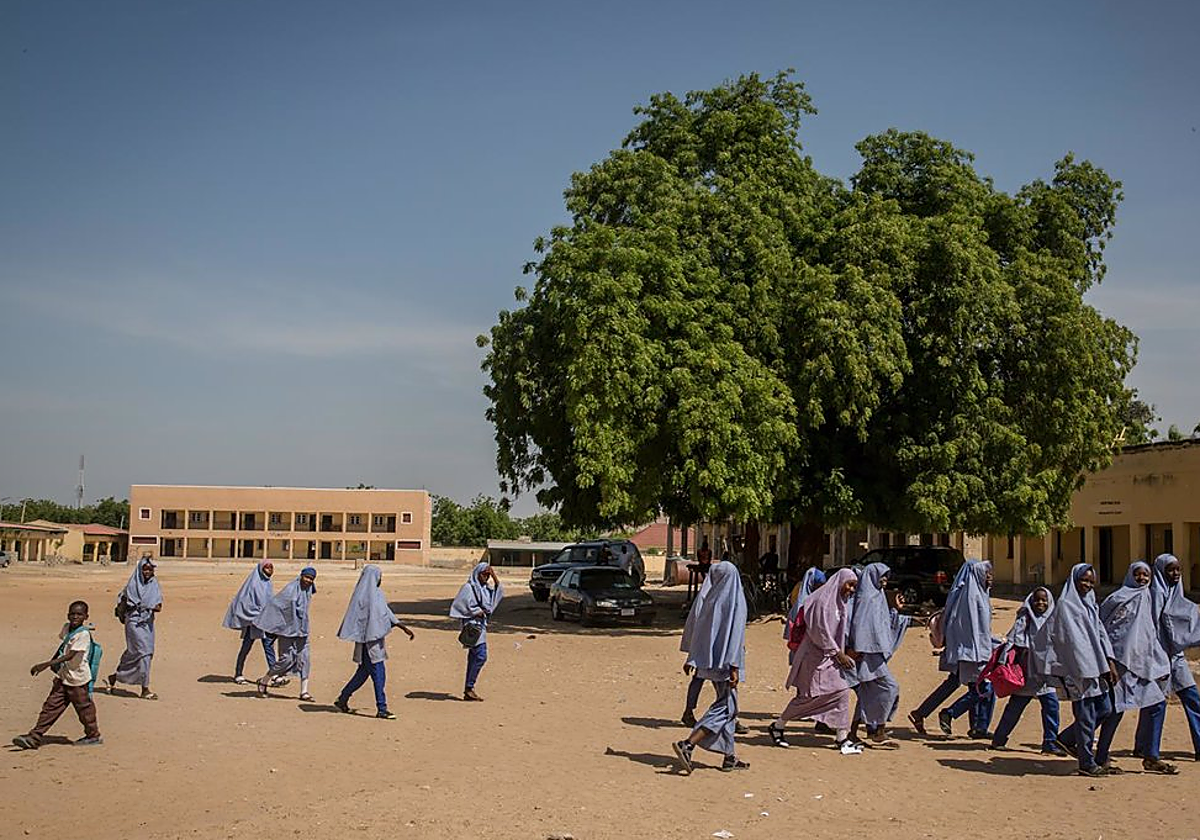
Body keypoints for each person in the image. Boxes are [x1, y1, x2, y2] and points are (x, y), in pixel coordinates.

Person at [1085, 561, 1176, 774]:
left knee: (1157, 704)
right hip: (1119, 663)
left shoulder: (1151, 598)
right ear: (1129, 575)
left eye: (1146, 575)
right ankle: (1097, 753)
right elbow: (1102, 625)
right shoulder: (1117, 598)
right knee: (1115, 711)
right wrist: (1107, 660)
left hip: (1143, 663)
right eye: (1138, 575)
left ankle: (1151, 755)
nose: (1142, 579)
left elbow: (1150, 633)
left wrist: (1159, 663)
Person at [1030, 563, 1119, 777]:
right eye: (1084, 580)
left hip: (1096, 667)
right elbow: (1068, 641)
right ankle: (1086, 763)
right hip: (1079, 670)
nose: (1087, 585)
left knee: (1106, 709)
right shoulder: (1066, 606)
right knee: (1086, 716)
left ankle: (1067, 739)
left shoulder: (1089, 603)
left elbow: (1099, 634)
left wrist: (1108, 662)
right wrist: (1082, 666)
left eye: (1090, 581)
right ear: (1074, 579)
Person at [768, 567, 864, 755]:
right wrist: (839, 653)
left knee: (842, 692)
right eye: (850, 585)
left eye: (854, 586)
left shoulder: (838, 602)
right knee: (807, 697)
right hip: (813, 658)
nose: (851, 590)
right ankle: (778, 725)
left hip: (828, 658)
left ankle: (842, 738)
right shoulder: (822, 601)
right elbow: (820, 631)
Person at [672, 562, 749, 773]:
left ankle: (729, 756)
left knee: (729, 708)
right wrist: (734, 664)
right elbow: (735, 635)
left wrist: (693, 657)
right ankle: (688, 744)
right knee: (726, 708)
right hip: (727, 665)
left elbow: (697, 630)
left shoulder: (708, 600)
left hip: (710, 662)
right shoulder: (734, 601)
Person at [908, 560, 994, 738]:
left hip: (968, 650)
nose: (990, 577)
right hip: (971, 651)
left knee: (957, 683)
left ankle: (922, 713)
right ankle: (951, 713)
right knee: (983, 688)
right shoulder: (971, 598)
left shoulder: (977, 593)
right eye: (986, 574)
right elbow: (971, 630)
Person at [12, 600, 102, 749]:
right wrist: (54, 664)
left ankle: (93, 736)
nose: (75, 617)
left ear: (86, 616)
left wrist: (46, 664)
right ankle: (35, 736)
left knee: (84, 709)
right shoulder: (67, 628)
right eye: (72, 614)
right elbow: (63, 648)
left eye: (79, 614)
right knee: (51, 706)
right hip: (64, 675)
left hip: (78, 679)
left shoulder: (84, 634)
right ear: (67, 615)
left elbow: (71, 655)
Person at [989, 586, 1066, 755]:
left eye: (1044, 600)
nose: (1040, 603)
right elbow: (1013, 640)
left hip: (1046, 674)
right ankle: (999, 739)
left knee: (1051, 707)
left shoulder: (1054, 620)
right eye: (1037, 600)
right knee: (1015, 707)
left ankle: (1050, 743)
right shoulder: (1024, 620)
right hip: (1027, 673)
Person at [333, 565, 414, 719]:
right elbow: (362, 620)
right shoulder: (362, 597)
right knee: (379, 674)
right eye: (379, 576)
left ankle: (343, 699)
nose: (380, 579)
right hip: (368, 642)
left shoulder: (378, 594)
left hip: (375, 639)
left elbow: (385, 612)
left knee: (363, 673)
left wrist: (402, 627)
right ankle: (382, 708)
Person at [1141, 553, 1200, 761]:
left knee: (1192, 698)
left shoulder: (1177, 593)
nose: (1175, 574)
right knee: (1155, 704)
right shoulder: (1153, 595)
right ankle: (1147, 749)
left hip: (1176, 657)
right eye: (1170, 570)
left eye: (1177, 569)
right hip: (1157, 657)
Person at [845, 563, 911, 745]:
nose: (884, 580)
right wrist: (858, 648)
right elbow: (860, 625)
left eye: (886, 576)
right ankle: (877, 729)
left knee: (867, 693)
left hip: (873, 654)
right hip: (865, 655)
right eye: (881, 576)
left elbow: (881, 623)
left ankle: (858, 731)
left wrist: (896, 611)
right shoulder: (865, 598)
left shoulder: (877, 596)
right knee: (890, 688)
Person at [255, 567, 317, 701]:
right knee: (286, 659)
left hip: (302, 630)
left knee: (304, 659)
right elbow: (276, 605)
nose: (308, 581)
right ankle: (264, 680)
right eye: (306, 577)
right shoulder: (290, 590)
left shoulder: (308, 589)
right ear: (301, 576)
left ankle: (304, 691)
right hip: (287, 631)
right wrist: (276, 625)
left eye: (311, 579)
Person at [107, 556, 162, 700]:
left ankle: (116, 676)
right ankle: (145, 688)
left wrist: (150, 606)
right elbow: (123, 603)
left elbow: (159, 605)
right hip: (133, 623)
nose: (148, 572)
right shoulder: (131, 586)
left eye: (150, 569)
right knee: (143, 652)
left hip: (147, 623)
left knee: (141, 653)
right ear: (139, 570)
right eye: (145, 569)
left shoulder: (154, 584)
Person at [449, 562, 503, 702]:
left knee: (474, 657)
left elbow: (498, 594)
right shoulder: (468, 588)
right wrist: (476, 611)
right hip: (472, 626)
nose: (486, 577)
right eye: (483, 574)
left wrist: (494, 576)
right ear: (477, 574)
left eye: (487, 575)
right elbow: (460, 605)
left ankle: (469, 688)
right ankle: (469, 687)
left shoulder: (485, 588)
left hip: (481, 627)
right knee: (480, 656)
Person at [222, 560, 279, 684]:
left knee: (268, 647)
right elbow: (245, 603)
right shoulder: (253, 584)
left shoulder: (268, 583)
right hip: (253, 622)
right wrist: (256, 616)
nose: (270, 569)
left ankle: (274, 675)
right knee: (246, 647)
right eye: (267, 567)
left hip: (265, 622)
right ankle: (238, 673)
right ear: (261, 569)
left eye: (271, 567)